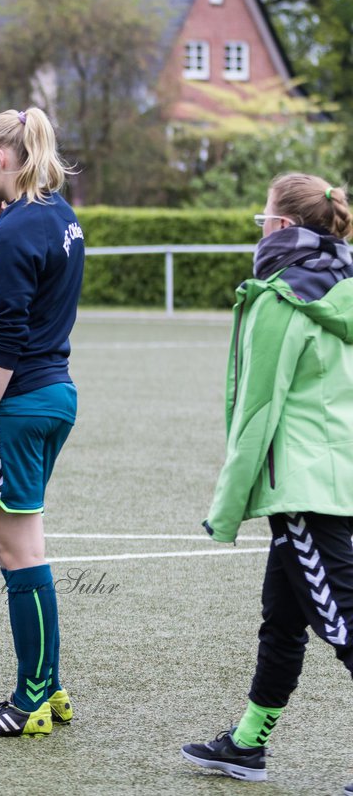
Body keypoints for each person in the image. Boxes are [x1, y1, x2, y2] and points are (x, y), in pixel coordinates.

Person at [181, 174, 353, 787]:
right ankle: (246, 745)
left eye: (263, 217)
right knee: (283, 619)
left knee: (344, 623)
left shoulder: (279, 297)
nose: (260, 227)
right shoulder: (346, 287)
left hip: (308, 489)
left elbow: (258, 410)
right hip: (335, 479)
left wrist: (227, 509)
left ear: (281, 228)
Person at [0, 107, 83, 738]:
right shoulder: (58, 215)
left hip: (19, 403)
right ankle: (49, 687)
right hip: (55, 393)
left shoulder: (16, 231)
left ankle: (29, 699)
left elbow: (3, 337)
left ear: (2, 159)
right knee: (22, 541)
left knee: (15, 548)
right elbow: (3, 296)